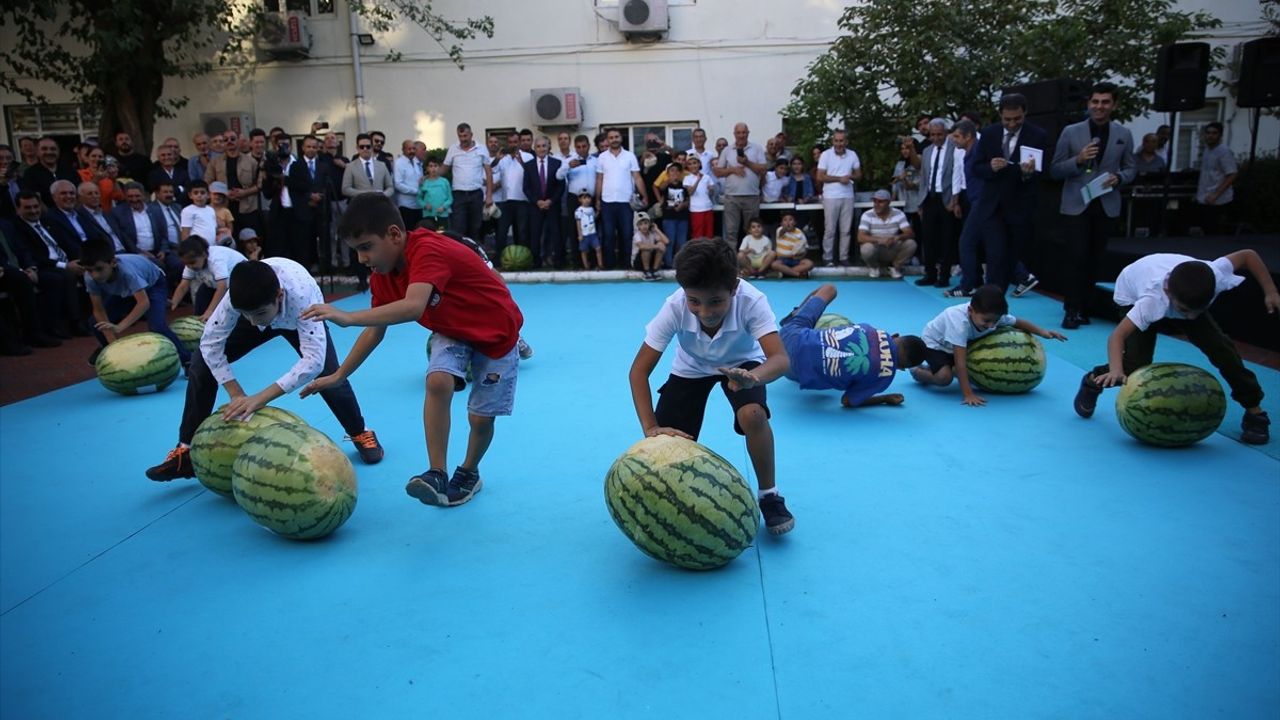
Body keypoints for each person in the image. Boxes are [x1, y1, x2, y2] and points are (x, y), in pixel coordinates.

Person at [298, 193, 523, 508]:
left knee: (480, 420)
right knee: (437, 381)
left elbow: (414, 307)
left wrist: (347, 317)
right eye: (356, 251)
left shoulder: (429, 250)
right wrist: (339, 374)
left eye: (365, 248)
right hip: (452, 329)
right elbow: (375, 330)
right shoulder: (382, 275)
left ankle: (469, 472)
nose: (362, 259)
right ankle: (437, 473)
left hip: (497, 333)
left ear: (393, 234)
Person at [144, 257, 385, 482]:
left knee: (330, 375)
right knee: (200, 363)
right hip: (263, 305)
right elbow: (210, 343)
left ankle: (359, 431)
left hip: (297, 318)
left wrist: (260, 398)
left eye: (257, 315)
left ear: (280, 295)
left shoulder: (304, 296)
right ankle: (186, 450)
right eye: (244, 315)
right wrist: (235, 392)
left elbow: (313, 361)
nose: (252, 323)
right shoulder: (238, 303)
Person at [627, 238, 794, 536]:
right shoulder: (674, 307)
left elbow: (780, 360)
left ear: (734, 288)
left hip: (744, 362)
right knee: (667, 440)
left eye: (715, 301)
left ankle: (769, 495)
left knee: (753, 415)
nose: (705, 312)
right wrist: (650, 427)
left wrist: (753, 378)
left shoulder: (752, 301)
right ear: (684, 293)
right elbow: (638, 372)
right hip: (691, 366)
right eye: (695, 301)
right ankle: (674, 500)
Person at [1072, 251, 1278, 445]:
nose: (1190, 318)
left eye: (1197, 311)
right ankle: (1093, 381)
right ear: (1168, 292)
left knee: (1223, 350)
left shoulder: (1214, 275)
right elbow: (1116, 337)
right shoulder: (1152, 301)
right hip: (1132, 290)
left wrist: (1270, 291)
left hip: (1183, 291)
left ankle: (1254, 411)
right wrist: (1116, 370)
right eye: (1185, 312)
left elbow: (1248, 255)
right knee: (1134, 365)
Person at [1050, 81, 1135, 329]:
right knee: (1075, 257)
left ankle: (1086, 307)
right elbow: (1055, 169)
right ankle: (1072, 308)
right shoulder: (1071, 132)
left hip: (1106, 203)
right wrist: (1077, 159)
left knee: (1095, 259)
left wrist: (1119, 178)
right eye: (1095, 102)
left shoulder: (1124, 134)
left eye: (1105, 102)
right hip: (1077, 203)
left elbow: (1131, 168)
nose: (1099, 107)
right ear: (1088, 104)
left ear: (1113, 105)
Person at [911, 284, 1066, 406]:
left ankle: (943, 369)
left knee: (962, 369)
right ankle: (919, 372)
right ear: (971, 310)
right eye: (987, 321)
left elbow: (1019, 322)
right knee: (945, 378)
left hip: (961, 344)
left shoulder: (992, 316)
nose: (992, 326)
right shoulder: (958, 322)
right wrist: (968, 394)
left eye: (995, 321)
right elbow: (960, 361)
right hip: (935, 344)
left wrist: (1044, 333)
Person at [779, 283, 926, 407]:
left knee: (829, 288)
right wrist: (884, 399)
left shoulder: (873, 330)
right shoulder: (885, 378)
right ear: (901, 368)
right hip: (790, 370)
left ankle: (795, 314)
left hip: (788, 335)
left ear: (895, 335)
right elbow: (847, 401)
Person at [971, 93, 1049, 296]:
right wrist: (991, 167)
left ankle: (997, 307)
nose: (1012, 124)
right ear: (1000, 115)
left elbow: (1045, 172)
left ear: (1025, 113)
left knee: (1010, 258)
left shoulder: (1038, 135)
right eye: (1007, 119)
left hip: (1020, 208)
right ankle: (990, 307)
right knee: (995, 257)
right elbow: (975, 168)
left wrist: (1028, 174)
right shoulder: (989, 134)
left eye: (1017, 119)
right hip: (991, 207)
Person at [79, 237, 192, 368]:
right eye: (89, 270)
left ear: (113, 263)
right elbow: (98, 310)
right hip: (125, 292)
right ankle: (107, 349)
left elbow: (143, 303)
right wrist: (112, 342)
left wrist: (120, 327)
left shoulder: (128, 273)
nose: (95, 275)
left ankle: (188, 360)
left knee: (157, 326)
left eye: (99, 269)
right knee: (96, 323)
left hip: (153, 284)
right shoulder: (90, 278)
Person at [595, 128, 647, 269]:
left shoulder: (630, 156)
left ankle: (626, 265)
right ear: (607, 140)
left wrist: (644, 195)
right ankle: (609, 266)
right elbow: (599, 179)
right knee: (608, 235)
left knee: (626, 234)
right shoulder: (602, 157)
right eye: (611, 137)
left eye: (616, 136)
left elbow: (637, 177)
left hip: (626, 202)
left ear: (621, 138)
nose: (614, 139)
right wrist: (597, 199)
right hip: (607, 201)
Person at [714, 123, 769, 248]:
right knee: (731, 232)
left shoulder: (757, 148)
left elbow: (763, 169)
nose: (741, 135)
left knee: (752, 231)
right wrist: (733, 170)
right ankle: (731, 262)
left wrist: (747, 163)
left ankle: (751, 261)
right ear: (734, 134)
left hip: (751, 196)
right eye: (738, 133)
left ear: (748, 133)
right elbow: (718, 172)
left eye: (744, 132)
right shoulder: (727, 150)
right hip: (732, 197)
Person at [170, 235, 247, 319]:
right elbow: (183, 286)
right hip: (217, 285)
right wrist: (173, 304)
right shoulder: (191, 263)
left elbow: (222, 287)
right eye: (186, 264)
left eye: (192, 263)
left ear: (204, 255)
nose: (189, 267)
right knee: (202, 294)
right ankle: (199, 323)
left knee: (225, 312)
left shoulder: (216, 259)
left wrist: (209, 311)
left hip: (241, 285)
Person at [815, 129, 862, 266]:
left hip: (848, 195)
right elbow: (820, 176)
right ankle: (828, 257)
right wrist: (839, 179)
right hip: (830, 196)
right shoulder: (825, 155)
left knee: (846, 230)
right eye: (836, 140)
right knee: (830, 229)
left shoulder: (852, 155)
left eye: (841, 140)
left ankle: (843, 258)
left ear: (846, 141)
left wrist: (850, 177)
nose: (839, 143)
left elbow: (859, 175)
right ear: (832, 141)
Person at [522, 137, 564, 269]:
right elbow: (526, 187)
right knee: (535, 235)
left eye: (544, 146)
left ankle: (559, 262)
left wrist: (551, 201)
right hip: (536, 206)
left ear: (548, 147)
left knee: (556, 234)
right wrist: (537, 201)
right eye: (539, 146)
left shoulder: (557, 163)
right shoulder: (528, 165)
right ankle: (536, 263)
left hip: (552, 205)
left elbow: (561, 186)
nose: (541, 149)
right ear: (535, 148)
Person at [857, 189, 917, 279]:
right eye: (874, 201)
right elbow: (860, 237)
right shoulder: (867, 215)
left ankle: (895, 267)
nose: (876, 204)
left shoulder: (898, 213)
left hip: (892, 246)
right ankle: (874, 267)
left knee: (911, 244)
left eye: (880, 202)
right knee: (866, 248)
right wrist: (880, 240)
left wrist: (897, 237)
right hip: (876, 248)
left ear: (888, 202)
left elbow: (910, 233)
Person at [1193, 122, 1237, 236]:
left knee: (1215, 232)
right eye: (1208, 133)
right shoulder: (1207, 150)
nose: (1210, 136)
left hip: (1218, 201)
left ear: (1220, 135)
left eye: (1214, 133)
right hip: (1205, 197)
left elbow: (1232, 174)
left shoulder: (1224, 152)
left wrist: (1216, 194)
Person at [660, 162, 690, 267]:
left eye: (677, 171)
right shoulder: (666, 185)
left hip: (682, 217)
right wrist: (668, 180)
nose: (675, 173)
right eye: (672, 171)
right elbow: (660, 188)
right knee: (670, 240)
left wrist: (683, 205)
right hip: (669, 217)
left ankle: (680, 263)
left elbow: (688, 199)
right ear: (668, 173)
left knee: (681, 241)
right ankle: (668, 263)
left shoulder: (684, 186)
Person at [770, 211, 813, 278]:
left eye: (790, 220)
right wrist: (785, 227)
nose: (788, 222)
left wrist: (801, 256)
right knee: (774, 264)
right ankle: (797, 274)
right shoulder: (780, 230)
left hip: (796, 259)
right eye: (785, 220)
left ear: (795, 222)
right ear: (781, 223)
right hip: (783, 259)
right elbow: (782, 231)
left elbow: (805, 247)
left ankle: (786, 273)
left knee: (809, 263)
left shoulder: (799, 233)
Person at [682, 156, 715, 240]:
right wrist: (698, 180)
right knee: (697, 234)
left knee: (709, 233)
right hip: (696, 210)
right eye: (690, 164)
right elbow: (690, 192)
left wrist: (711, 189)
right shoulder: (687, 178)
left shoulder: (707, 177)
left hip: (708, 207)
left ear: (699, 164)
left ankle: (708, 252)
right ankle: (698, 252)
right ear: (687, 166)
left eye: (695, 163)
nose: (693, 166)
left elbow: (711, 193)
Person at [417, 158, 452, 231]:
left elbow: (450, 198)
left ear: (439, 167)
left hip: (442, 215)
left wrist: (444, 207)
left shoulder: (444, 182)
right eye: (431, 166)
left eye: (435, 166)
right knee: (430, 235)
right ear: (427, 168)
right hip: (428, 215)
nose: (433, 168)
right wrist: (425, 205)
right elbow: (419, 199)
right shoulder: (424, 183)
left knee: (442, 235)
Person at [632, 212, 668, 281]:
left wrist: (657, 229)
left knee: (661, 244)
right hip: (638, 263)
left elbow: (666, 241)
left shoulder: (652, 233)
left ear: (649, 224)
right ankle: (647, 272)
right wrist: (656, 246)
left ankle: (655, 271)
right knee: (646, 249)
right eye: (641, 224)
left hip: (650, 260)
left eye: (646, 223)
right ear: (638, 226)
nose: (644, 226)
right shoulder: (637, 235)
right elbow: (641, 246)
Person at [574, 191, 603, 271]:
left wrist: (598, 211)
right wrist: (580, 234)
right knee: (584, 251)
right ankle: (586, 266)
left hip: (593, 233)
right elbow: (578, 222)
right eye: (584, 198)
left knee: (598, 248)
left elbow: (594, 218)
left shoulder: (591, 209)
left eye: (588, 198)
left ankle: (600, 265)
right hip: (584, 234)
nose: (587, 200)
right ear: (580, 199)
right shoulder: (578, 211)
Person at [208, 181, 235, 246]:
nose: (217, 197)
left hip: (222, 237)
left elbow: (230, 228)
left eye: (220, 195)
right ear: (209, 195)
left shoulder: (226, 211)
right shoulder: (205, 209)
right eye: (215, 194)